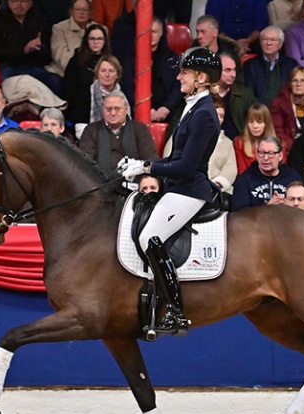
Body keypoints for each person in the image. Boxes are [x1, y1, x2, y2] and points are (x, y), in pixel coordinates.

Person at [117, 47, 222, 336]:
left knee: (151, 238)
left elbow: (187, 167)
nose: (178, 77)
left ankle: (176, 311)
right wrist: (141, 166)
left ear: (201, 77)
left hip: (190, 190)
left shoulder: (205, 115)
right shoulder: (192, 107)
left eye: (184, 73)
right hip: (178, 187)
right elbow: (175, 159)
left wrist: (148, 167)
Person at [0, 0, 61, 95]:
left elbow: (47, 56)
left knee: (55, 81)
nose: (19, 5)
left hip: (33, 65)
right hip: (8, 66)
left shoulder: (40, 21)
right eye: (14, 1)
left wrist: (39, 48)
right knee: (0, 83)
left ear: (31, 3)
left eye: (24, 1)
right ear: (8, 2)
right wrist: (23, 50)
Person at [79, 91, 158, 179]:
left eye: (117, 109)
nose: (113, 113)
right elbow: (84, 162)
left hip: (135, 183)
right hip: (99, 184)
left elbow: (151, 158)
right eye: (108, 109)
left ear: (125, 109)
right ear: (103, 109)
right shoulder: (91, 130)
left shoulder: (139, 129)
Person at [231, 135, 303, 211]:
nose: (265, 158)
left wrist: (287, 205)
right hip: (257, 222)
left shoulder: (293, 177)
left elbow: (303, 208)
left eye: (271, 153)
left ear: (280, 156)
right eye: (261, 153)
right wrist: (267, 208)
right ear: (257, 155)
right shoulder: (245, 179)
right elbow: (239, 213)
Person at [62, 22, 109, 124]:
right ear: (86, 40)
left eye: (99, 39)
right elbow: (68, 90)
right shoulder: (76, 61)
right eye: (92, 39)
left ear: (105, 41)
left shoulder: (110, 61)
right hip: (80, 111)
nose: (96, 42)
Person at [270, 66, 304, 154]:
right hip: (290, 150)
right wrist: (297, 147)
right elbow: (277, 131)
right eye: (295, 80)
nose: (298, 84)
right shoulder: (279, 103)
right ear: (290, 84)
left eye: (302, 80)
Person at [243, 25, 297, 106]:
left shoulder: (291, 65)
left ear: (280, 43)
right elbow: (248, 95)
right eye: (265, 39)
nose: (268, 43)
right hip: (259, 110)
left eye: (273, 40)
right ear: (260, 42)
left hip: (284, 110)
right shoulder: (250, 65)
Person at [146, 17, 182, 123]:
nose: (151, 35)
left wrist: (167, 107)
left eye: (154, 32)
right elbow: (129, 87)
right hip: (142, 109)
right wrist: (147, 109)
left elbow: (179, 85)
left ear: (161, 33)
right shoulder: (134, 58)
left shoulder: (172, 57)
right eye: (148, 32)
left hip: (169, 111)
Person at [216, 51, 257, 140]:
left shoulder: (245, 95)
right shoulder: (204, 94)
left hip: (239, 144)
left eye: (234, 70)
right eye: (228, 70)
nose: (233, 75)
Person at [45, 0, 92, 78]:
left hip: (93, 72)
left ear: (90, 12)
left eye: (85, 9)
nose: (82, 12)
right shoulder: (59, 28)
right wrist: (79, 71)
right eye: (78, 9)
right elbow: (59, 56)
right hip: (63, 72)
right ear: (71, 11)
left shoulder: (99, 29)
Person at [205, 0, 269, 55]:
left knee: (267, 45)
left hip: (252, 42)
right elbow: (213, 26)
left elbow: (261, 25)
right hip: (224, 41)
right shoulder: (214, 1)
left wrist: (248, 41)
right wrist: (234, 43)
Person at [233, 103, 278, 174]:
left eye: (259, 122)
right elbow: (242, 171)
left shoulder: (279, 144)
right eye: (251, 122)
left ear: (266, 123)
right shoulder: (239, 142)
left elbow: (280, 172)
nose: (255, 126)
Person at [207, 95, 237, 193]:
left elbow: (231, 169)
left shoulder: (227, 143)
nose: (219, 119)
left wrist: (217, 184)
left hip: (217, 190)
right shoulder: (183, 135)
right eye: (216, 115)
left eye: (222, 116)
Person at [88, 55, 123, 124]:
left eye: (111, 71)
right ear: (97, 73)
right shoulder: (86, 94)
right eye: (103, 71)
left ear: (117, 75)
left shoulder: (122, 98)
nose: (107, 75)